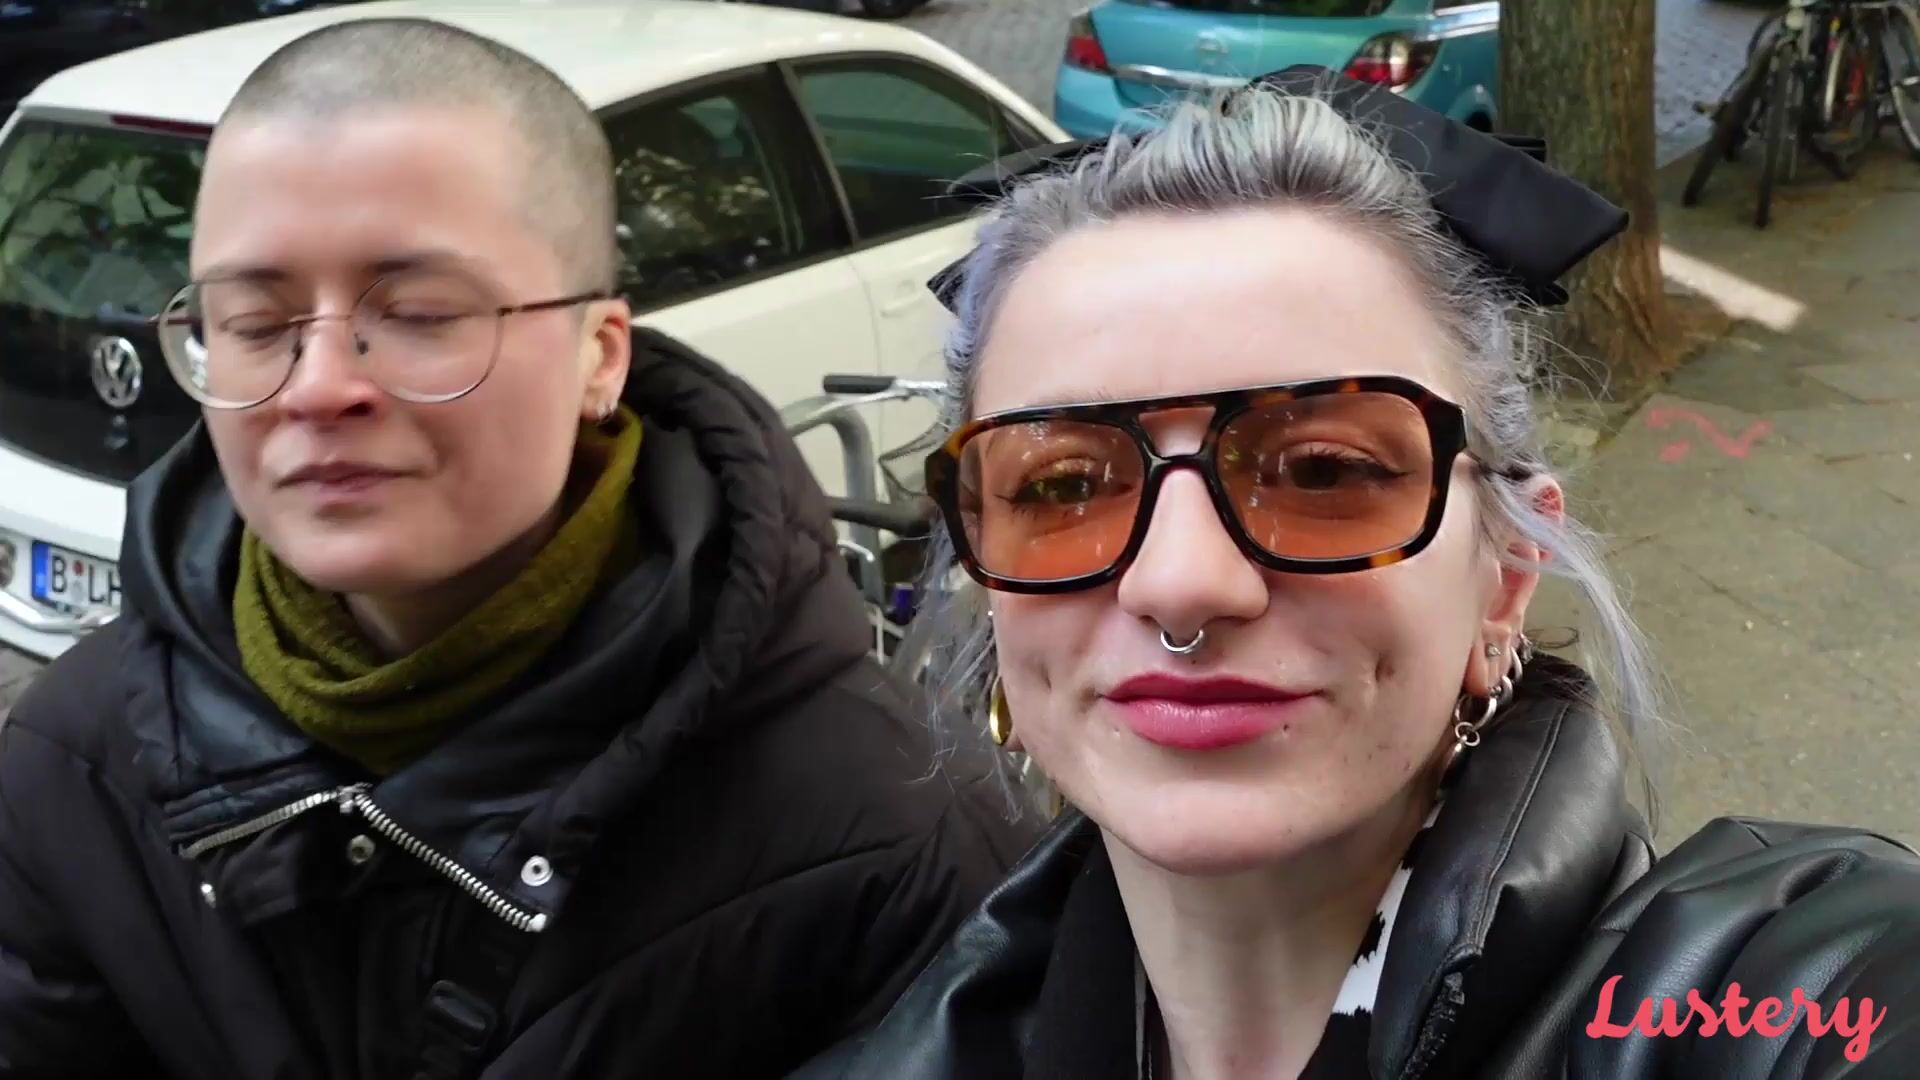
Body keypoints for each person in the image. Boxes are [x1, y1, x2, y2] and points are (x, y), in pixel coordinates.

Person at [795, 67, 1920, 1080]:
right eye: (1063, 485)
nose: (1181, 584)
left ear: (1505, 575)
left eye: (1325, 470)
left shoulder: (1777, 1006)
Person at [0, 18, 1035, 1079]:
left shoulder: (892, 843)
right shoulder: (75, 767)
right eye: (255, 325)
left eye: (418, 313)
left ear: (600, 357)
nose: (318, 387)